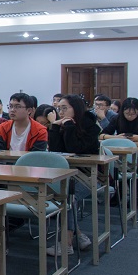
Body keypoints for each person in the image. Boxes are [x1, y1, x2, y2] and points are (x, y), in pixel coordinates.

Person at [46, 94, 100, 256]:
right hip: (66, 176)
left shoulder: (91, 127)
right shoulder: (63, 125)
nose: (61, 112)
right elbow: (56, 153)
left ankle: (66, 243)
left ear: (76, 109)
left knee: (68, 198)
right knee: (65, 196)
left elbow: (75, 149)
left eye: (64, 108)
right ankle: (79, 235)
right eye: (59, 108)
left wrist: (68, 126)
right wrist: (55, 127)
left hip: (88, 177)